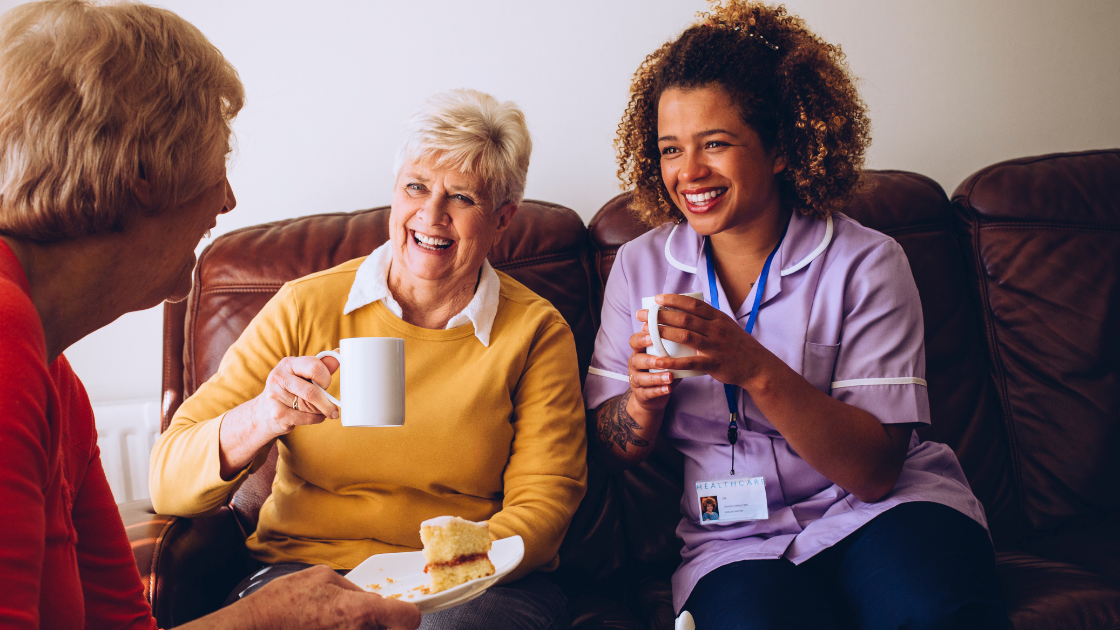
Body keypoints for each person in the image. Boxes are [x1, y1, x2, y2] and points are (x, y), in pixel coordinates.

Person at [584, 3, 1009, 629]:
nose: (689, 172)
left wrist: (753, 367)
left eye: (716, 144)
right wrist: (642, 406)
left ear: (781, 148)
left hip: (884, 512)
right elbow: (612, 443)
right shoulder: (639, 267)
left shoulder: (867, 262)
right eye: (671, 149)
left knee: (929, 613)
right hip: (733, 543)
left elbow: (874, 472)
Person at [0, 2, 421, 629]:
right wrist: (264, 619)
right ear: (145, 168)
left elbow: (125, 625)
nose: (227, 199)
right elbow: (175, 475)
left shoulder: (57, 381)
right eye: (215, 160)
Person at [149, 88, 587, 630]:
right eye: (416, 187)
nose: (432, 214)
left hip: (467, 586)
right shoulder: (304, 304)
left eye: (463, 198)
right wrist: (265, 415)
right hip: (302, 570)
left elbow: (543, 509)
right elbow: (167, 478)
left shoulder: (535, 331)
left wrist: (426, 574)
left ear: (502, 219)